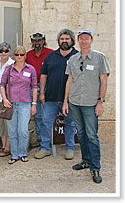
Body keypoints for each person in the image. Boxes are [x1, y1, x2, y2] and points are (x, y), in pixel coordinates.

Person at [63, 29, 110, 184]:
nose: (83, 41)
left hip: (91, 103)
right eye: (81, 38)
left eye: (86, 38)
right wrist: (65, 101)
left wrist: (100, 102)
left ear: (91, 40)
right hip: (75, 102)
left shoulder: (99, 58)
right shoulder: (73, 59)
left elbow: (103, 81)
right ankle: (86, 161)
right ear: (78, 40)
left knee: (92, 135)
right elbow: (69, 81)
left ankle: (95, 167)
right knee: (81, 134)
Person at [35, 29, 78, 160]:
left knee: (70, 124)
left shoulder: (77, 56)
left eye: (67, 39)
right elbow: (43, 75)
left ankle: (69, 148)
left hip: (70, 99)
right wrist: (42, 93)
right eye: (62, 39)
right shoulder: (51, 56)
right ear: (58, 41)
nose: (64, 41)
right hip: (51, 98)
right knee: (46, 122)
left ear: (72, 41)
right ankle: (45, 148)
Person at [0, 46, 38, 165]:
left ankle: (23, 153)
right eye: (17, 55)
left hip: (25, 104)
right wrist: (5, 99)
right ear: (14, 56)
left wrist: (34, 104)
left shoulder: (30, 69)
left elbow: (34, 87)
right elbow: (2, 85)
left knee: (23, 130)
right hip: (11, 104)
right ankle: (14, 154)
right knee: (12, 131)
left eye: (22, 54)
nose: (19, 57)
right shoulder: (9, 69)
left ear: (25, 55)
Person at [25, 33, 54, 147]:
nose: (37, 43)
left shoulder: (50, 53)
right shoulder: (28, 55)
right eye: (35, 41)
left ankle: (49, 139)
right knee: (37, 114)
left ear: (43, 41)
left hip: (47, 87)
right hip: (33, 87)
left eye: (39, 41)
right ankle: (41, 138)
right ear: (32, 42)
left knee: (47, 114)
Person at [0, 42, 14, 157]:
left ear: (9, 52)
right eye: (1, 51)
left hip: (8, 99)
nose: (3, 53)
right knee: (0, 124)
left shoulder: (13, 64)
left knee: (8, 123)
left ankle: (8, 147)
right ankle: (3, 145)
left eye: (6, 51)